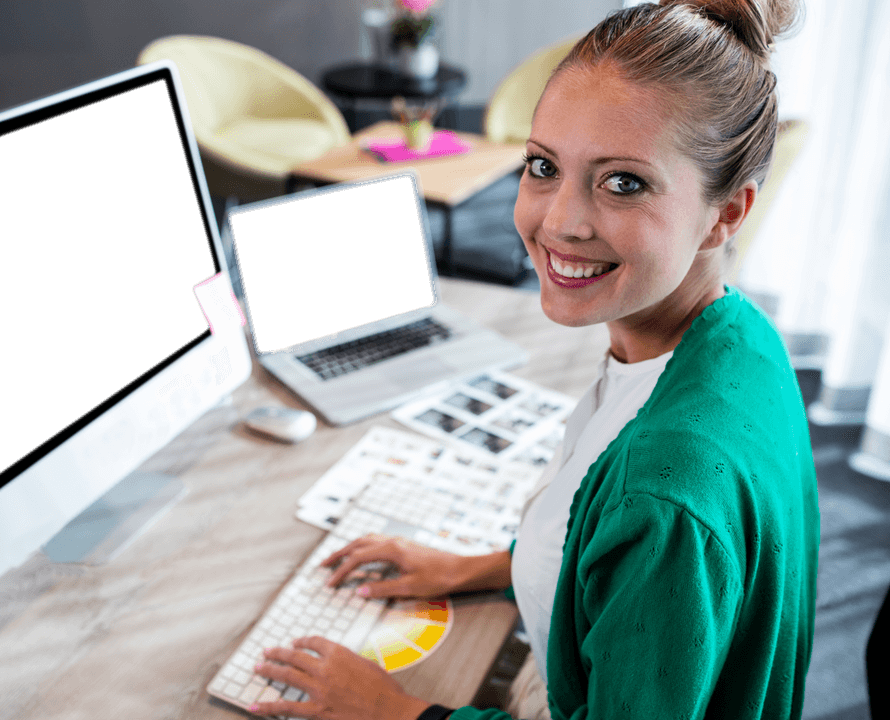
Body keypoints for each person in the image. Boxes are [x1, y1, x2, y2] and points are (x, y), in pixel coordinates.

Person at [251, 0, 819, 718]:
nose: (558, 223)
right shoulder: (741, 338)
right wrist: (487, 567)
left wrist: (392, 713)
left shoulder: (663, 498)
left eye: (624, 183)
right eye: (543, 166)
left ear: (726, 213)